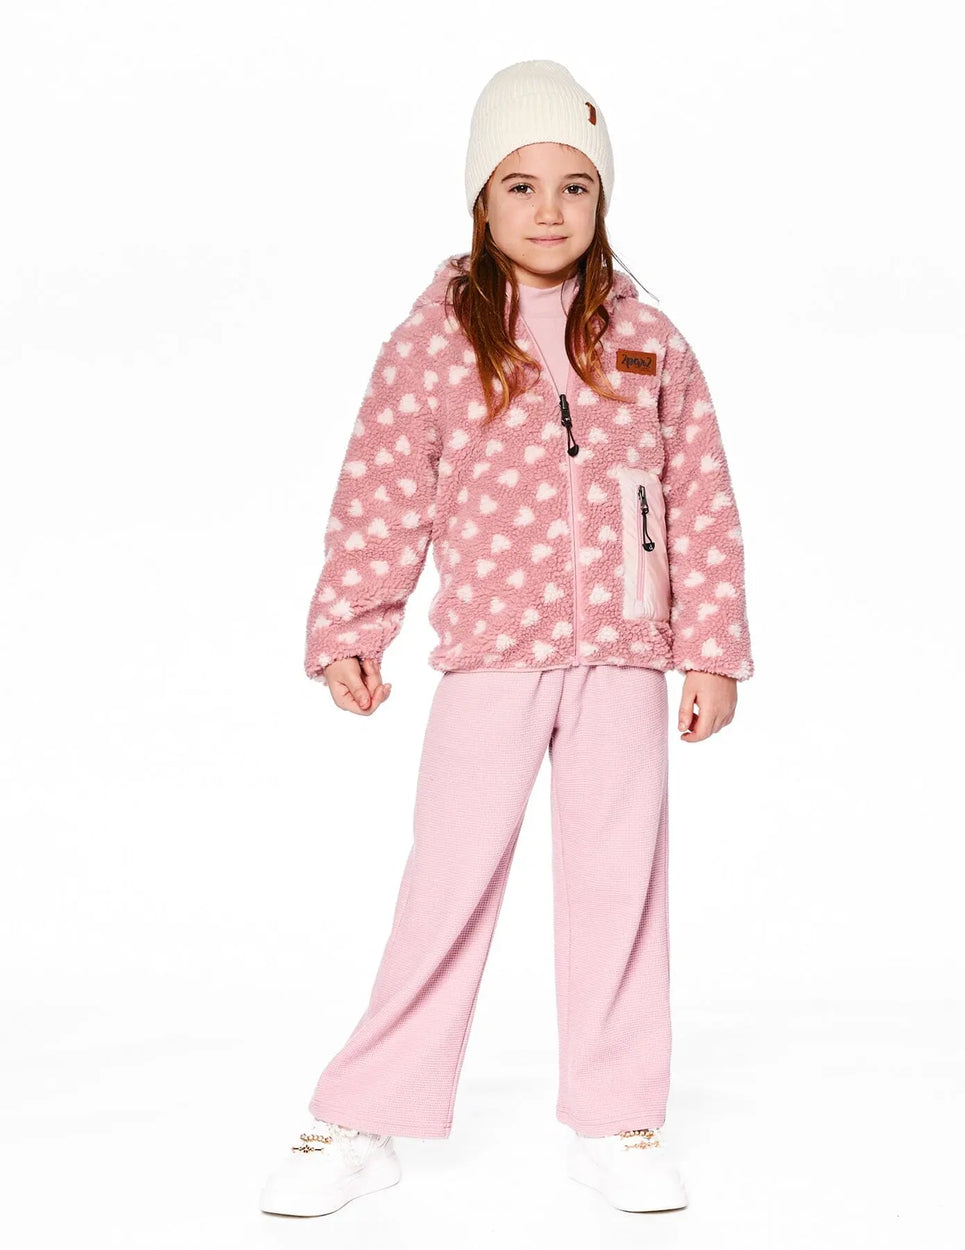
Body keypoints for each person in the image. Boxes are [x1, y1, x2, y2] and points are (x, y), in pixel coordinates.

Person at [260, 58, 754, 1219]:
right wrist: (351, 624)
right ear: (481, 198)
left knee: (618, 886)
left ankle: (617, 1118)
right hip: (490, 652)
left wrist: (711, 648)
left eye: (574, 185)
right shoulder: (435, 339)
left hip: (624, 656)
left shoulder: (649, 337)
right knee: (446, 882)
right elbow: (382, 490)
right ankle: (363, 1114)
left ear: (602, 198)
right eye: (520, 184)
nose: (548, 209)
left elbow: (700, 495)